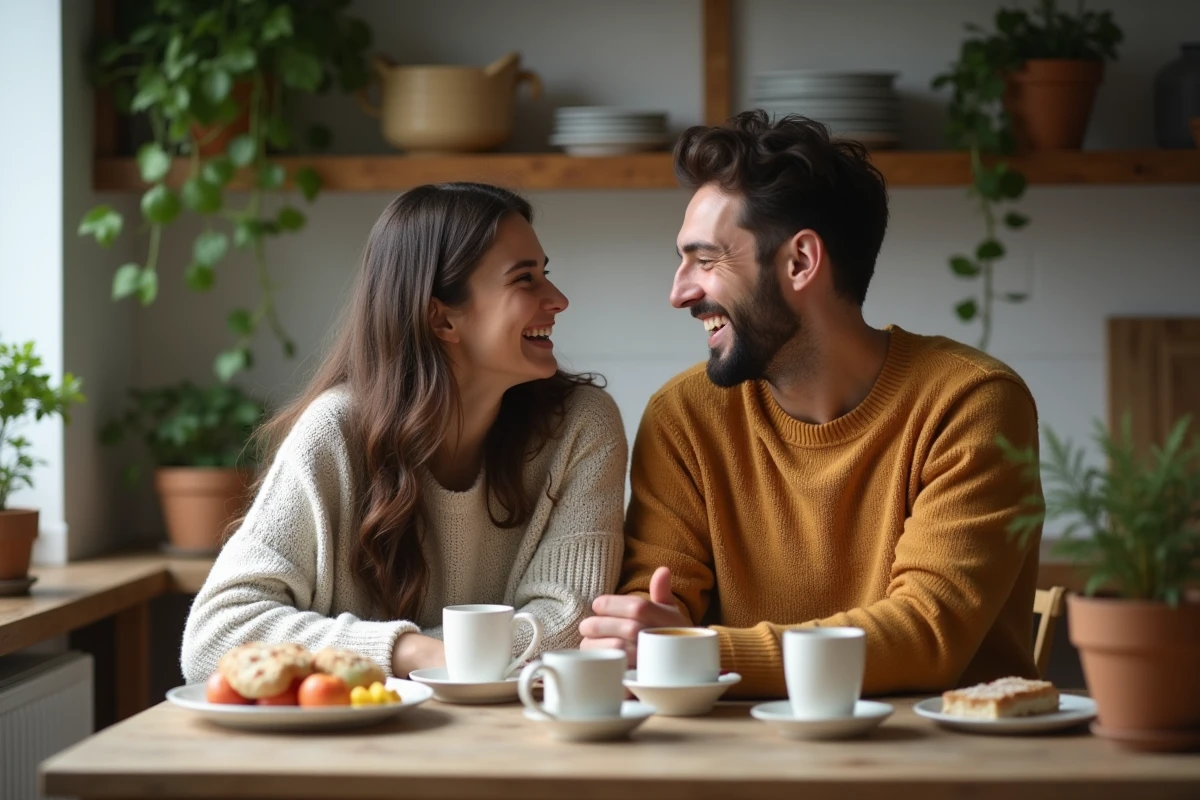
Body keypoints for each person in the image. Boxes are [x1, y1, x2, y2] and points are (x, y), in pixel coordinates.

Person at [580, 111, 1042, 697]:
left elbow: (927, 635)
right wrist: (646, 630)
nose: (679, 292)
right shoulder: (685, 418)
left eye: (705, 260)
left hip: (945, 769)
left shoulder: (969, 403)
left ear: (800, 262)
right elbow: (654, 613)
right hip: (746, 765)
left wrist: (701, 653)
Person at [182, 183, 627, 684]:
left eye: (546, 273)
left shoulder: (582, 427)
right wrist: (408, 652)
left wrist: (374, 657)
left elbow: (570, 633)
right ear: (441, 317)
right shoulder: (335, 433)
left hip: (514, 742)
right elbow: (214, 637)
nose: (559, 299)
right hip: (355, 745)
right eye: (525, 280)